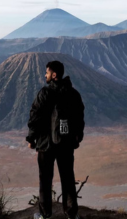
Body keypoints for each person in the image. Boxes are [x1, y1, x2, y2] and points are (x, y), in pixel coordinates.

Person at [26, 60, 85, 219]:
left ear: (53, 74)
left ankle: (45, 215)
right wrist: (77, 137)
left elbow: (35, 116)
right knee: (68, 178)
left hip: (46, 145)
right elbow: (79, 118)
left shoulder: (45, 93)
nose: (44, 75)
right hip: (66, 144)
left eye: (46, 72)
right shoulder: (73, 94)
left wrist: (31, 138)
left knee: (45, 180)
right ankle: (72, 214)